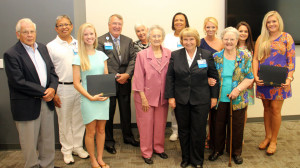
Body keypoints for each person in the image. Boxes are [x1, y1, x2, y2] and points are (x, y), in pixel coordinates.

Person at [3, 18, 59, 168]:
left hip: (46, 102)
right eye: (25, 32)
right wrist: (44, 91)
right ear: (18, 34)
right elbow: (18, 81)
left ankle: (48, 165)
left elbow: (52, 73)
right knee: (29, 145)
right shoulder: (11, 54)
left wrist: (53, 88)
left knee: (47, 141)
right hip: (26, 106)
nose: (29, 35)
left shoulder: (42, 48)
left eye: (32, 31)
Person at [165, 27, 219, 168]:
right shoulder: (175, 55)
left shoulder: (206, 55)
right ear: (181, 41)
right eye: (185, 39)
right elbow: (170, 77)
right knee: (183, 130)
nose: (188, 42)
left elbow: (213, 76)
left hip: (201, 99)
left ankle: (197, 160)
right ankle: (186, 158)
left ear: (196, 40)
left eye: (191, 39)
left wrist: (214, 97)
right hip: (181, 99)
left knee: (199, 130)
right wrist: (171, 97)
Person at [208, 27, 254, 165]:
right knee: (218, 125)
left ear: (237, 40)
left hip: (238, 98)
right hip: (219, 98)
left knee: (237, 126)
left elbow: (249, 77)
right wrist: (208, 80)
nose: (229, 42)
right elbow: (209, 75)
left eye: (232, 39)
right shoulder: (216, 57)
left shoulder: (245, 56)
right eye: (226, 39)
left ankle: (235, 152)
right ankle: (217, 150)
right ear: (222, 40)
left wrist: (238, 89)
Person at [47, 15, 89, 165]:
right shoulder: (51, 46)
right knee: (64, 121)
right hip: (62, 88)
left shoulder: (80, 43)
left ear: (71, 26)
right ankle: (66, 150)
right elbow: (48, 71)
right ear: (56, 28)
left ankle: (78, 147)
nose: (64, 27)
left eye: (67, 24)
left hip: (80, 87)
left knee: (79, 119)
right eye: (60, 25)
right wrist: (54, 91)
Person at [253, 11, 295, 155]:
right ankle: (267, 136)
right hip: (264, 79)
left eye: (274, 21)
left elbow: (291, 61)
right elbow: (255, 59)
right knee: (266, 108)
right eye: (269, 22)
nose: (271, 24)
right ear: (266, 24)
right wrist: (255, 75)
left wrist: (289, 79)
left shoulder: (286, 37)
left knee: (276, 109)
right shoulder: (261, 38)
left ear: (279, 22)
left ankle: (274, 140)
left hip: (280, 80)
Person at [97, 14, 138, 154]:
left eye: (119, 24)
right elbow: (101, 60)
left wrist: (127, 74)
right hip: (108, 80)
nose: (117, 26)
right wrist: (115, 76)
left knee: (126, 110)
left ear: (122, 25)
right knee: (108, 111)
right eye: (114, 23)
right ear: (109, 25)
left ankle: (128, 136)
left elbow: (134, 58)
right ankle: (108, 140)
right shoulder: (101, 40)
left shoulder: (128, 40)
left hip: (125, 80)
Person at [72, 23, 110, 168]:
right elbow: (76, 83)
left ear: (95, 36)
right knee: (91, 131)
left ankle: (100, 158)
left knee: (101, 130)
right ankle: (93, 159)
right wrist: (90, 97)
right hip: (88, 99)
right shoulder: (78, 57)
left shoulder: (102, 55)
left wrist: (106, 93)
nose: (89, 37)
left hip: (102, 98)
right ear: (81, 37)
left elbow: (105, 75)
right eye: (86, 34)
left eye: (91, 34)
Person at [132, 25, 171, 164]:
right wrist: (143, 98)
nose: (156, 38)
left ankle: (159, 148)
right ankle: (146, 152)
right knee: (146, 125)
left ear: (163, 37)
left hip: (162, 96)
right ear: (149, 38)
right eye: (153, 36)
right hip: (145, 96)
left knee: (160, 124)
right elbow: (138, 78)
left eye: (159, 36)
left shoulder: (169, 53)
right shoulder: (142, 55)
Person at [163, 12, 190, 142]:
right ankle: (175, 129)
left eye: (181, 20)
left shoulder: (190, 35)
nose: (178, 22)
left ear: (186, 22)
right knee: (174, 104)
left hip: (188, 76)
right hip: (173, 74)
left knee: (187, 104)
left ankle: (187, 130)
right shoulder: (167, 38)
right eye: (176, 20)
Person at [200, 17, 224, 149]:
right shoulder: (199, 42)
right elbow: (197, 62)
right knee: (204, 110)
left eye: (213, 27)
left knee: (215, 111)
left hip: (217, 79)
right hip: (204, 80)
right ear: (204, 28)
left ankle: (212, 136)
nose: (210, 29)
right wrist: (206, 77)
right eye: (208, 27)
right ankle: (203, 137)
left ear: (217, 28)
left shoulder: (221, 43)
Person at [236, 21, 255, 137]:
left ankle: (240, 135)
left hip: (247, 83)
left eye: (245, 31)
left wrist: (251, 81)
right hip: (234, 83)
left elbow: (254, 65)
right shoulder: (231, 44)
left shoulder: (252, 47)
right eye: (240, 31)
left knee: (244, 110)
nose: (243, 33)